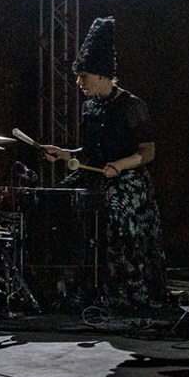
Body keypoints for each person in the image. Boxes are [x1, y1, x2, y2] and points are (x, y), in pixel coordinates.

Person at [41, 17, 168, 314]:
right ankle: (70, 286)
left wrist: (120, 166)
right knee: (56, 199)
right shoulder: (90, 108)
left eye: (83, 76)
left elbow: (147, 152)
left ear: (101, 75)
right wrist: (64, 154)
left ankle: (123, 290)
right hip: (98, 174)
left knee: (114, 208)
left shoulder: (132, 106)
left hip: (127, 178)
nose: (79, 83)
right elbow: (88, 152)